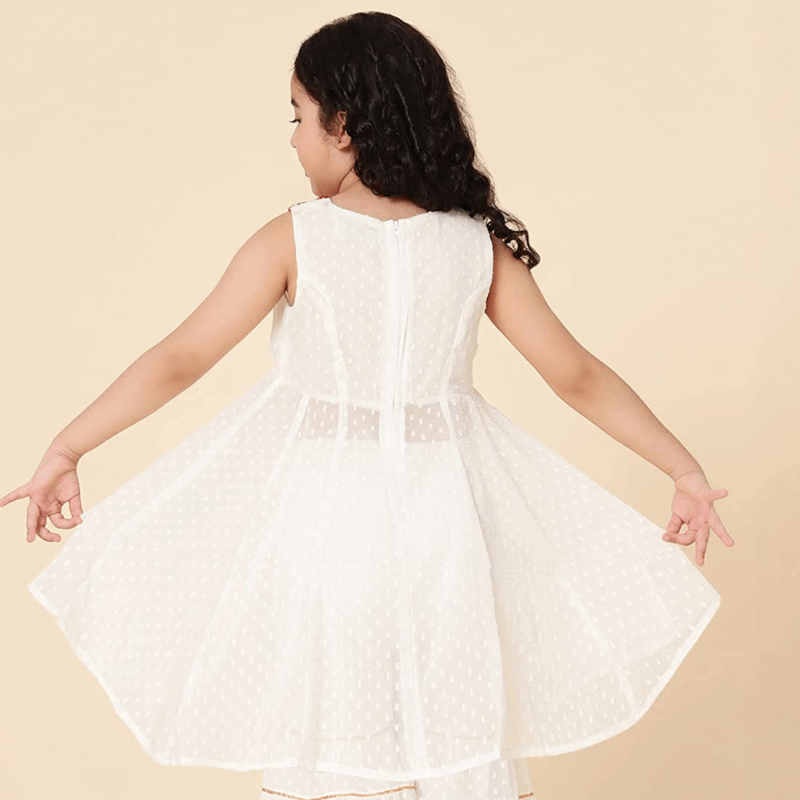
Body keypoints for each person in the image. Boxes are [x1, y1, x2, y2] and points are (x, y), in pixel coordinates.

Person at [1, 11, 733, 800]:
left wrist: (68, 446)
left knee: (338, 728)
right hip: (448, 521)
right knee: (455, 722)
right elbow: (576, 374)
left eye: (298, 116)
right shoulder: (473, 244)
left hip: (330, 523)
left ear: (343, 125)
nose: (293, 139)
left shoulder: (295, 238)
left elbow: (181, 358)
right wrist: (683, 470)